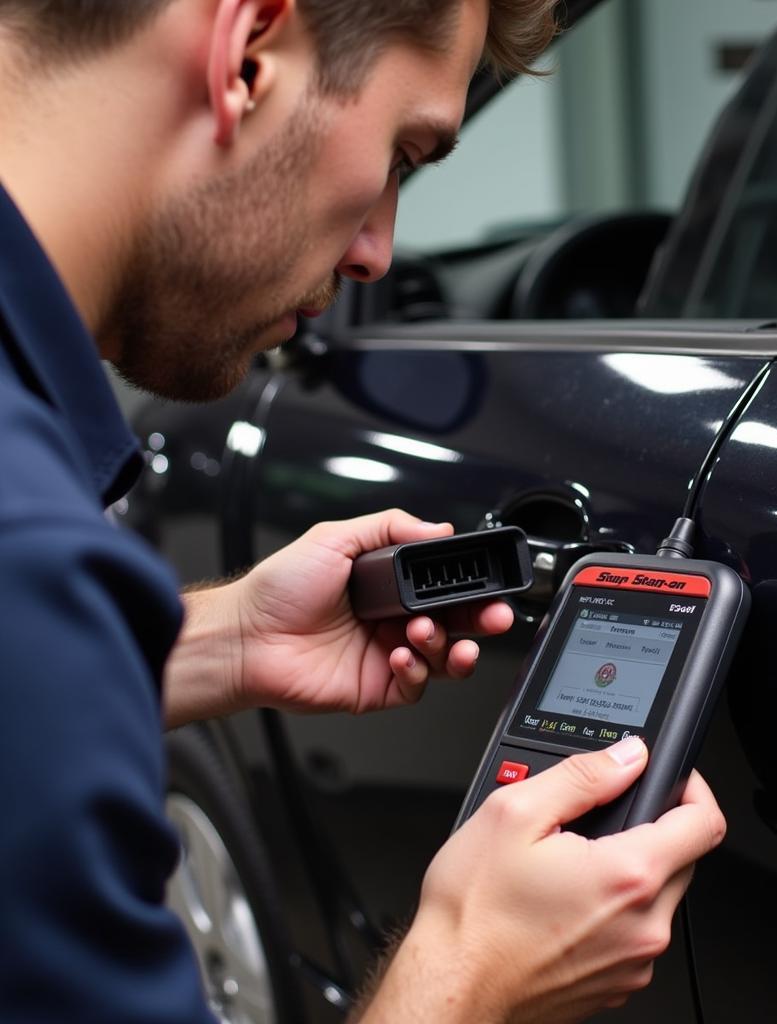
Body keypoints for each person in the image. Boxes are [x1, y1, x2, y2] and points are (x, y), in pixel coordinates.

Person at [0, 1, 726, 1021]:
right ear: (248, 50)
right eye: (402, 151)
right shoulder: (26, 557)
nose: (378, 253)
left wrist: (224, 640)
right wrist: (467, 977)